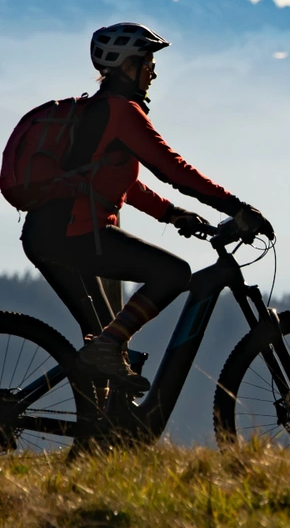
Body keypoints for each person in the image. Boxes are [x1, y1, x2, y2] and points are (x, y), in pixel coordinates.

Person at [20, 22, 273, 392]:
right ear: (127, 66)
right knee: (172, 273)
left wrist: (171, 214)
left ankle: (98, 435)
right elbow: (175, 170)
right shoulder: (121, 112)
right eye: (147, 61)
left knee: (105, 346)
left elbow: (117, 180)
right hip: (73, 235)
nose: (153, 70)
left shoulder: (100, 111)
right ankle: (104, 363)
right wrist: (237, 208)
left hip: (49, 234)